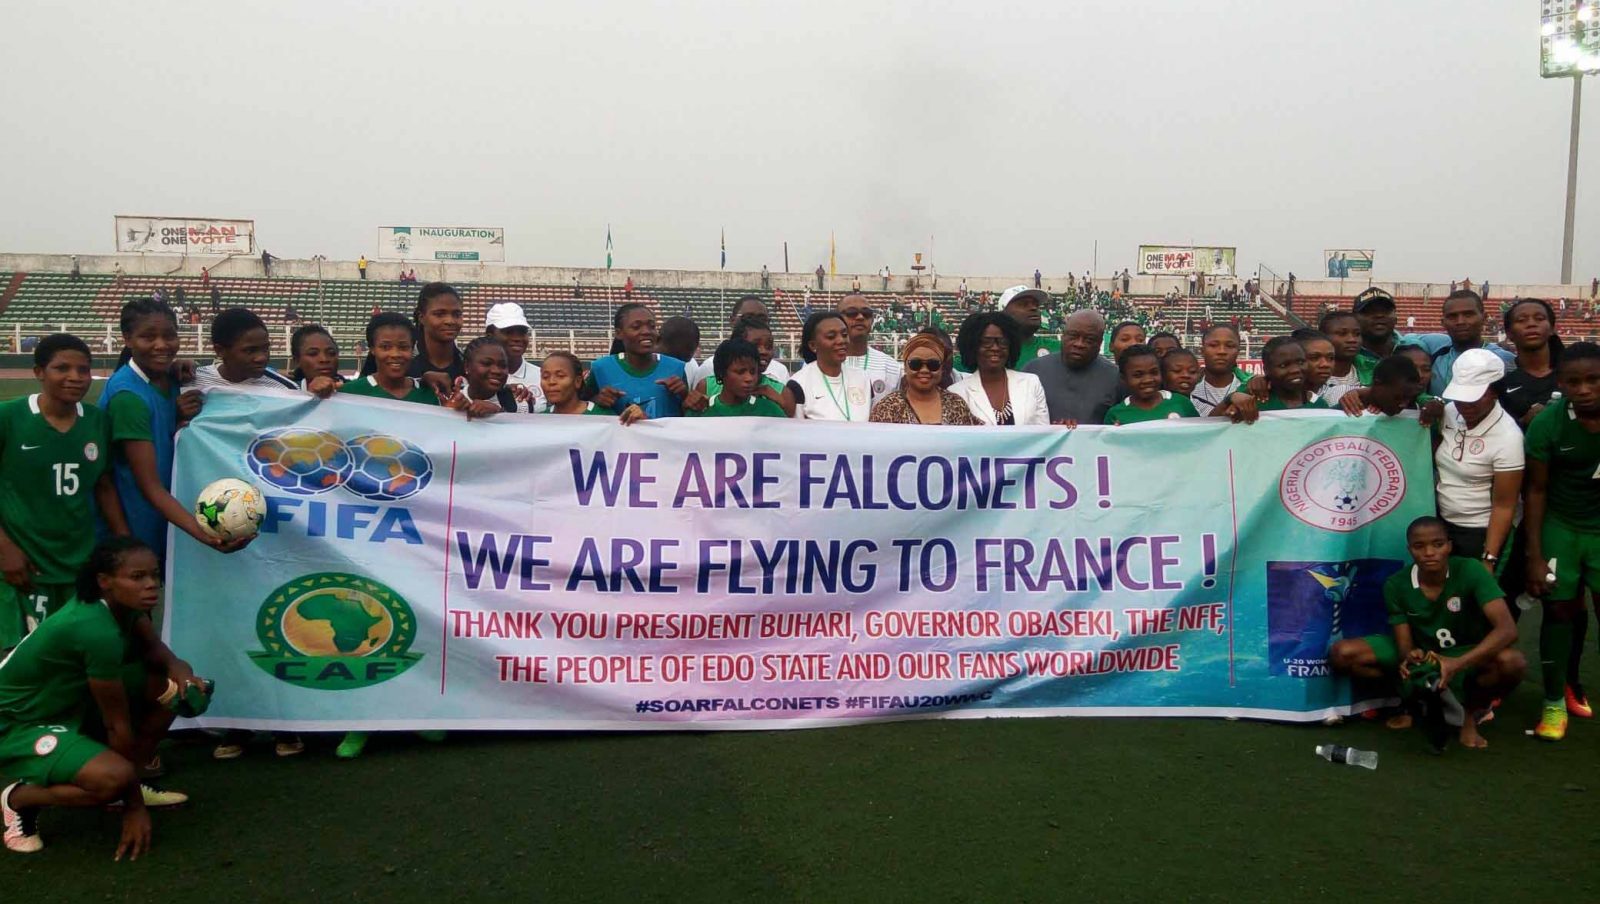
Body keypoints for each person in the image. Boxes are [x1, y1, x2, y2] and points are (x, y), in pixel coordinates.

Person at [0, 537, 204, 857]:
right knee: (113, 778)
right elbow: (116, 724)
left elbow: (157, 652)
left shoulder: (126, 607)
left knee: (171, 689)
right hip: (16, 723)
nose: (151, 584)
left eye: (154, 575)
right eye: (137, 577)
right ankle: (19, 799)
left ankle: (128, 781)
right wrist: (134, 808)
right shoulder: (94, 629)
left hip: (64, 705)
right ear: (104, 581)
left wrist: (183, 674)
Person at [1327, 516, 1524, 750]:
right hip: (1427, 656)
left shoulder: (1470, 570)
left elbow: (1507, 630)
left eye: (1437, 544)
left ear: (1449, 546)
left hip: (1465, 653)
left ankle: (1470, 716)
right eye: (1419, 546)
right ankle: (1414, 702)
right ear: (1410, 550)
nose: (1429, 552)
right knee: (1343, 654)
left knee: (1513, 662)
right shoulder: (1396, 584)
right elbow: (1404, 644)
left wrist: (1457, 663)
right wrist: (1409, 656)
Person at [0, 336, 128, 650]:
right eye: (62, 368)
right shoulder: (8, 417)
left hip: (78, 563)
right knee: (18, 658)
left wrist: (124, 542)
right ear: (38, 372)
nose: (75, 377)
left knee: (72, 657)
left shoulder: (97, 422)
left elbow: (104, 486)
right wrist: (4, 548)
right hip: (21, 564)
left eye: (83, 370)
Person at [103, 299, 247, 563]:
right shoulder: (128, 398)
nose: (161, 344)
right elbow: (150, 487)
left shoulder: (170, 378)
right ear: (127, 339)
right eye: (148, 337)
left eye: (169, 336)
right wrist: (206, 535)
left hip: (169, 518)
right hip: (139, 524)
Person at [1523, 342, 1600, 741]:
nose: (1584, 389)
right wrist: (1535, 555)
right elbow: (1536, 490)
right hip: (1563, 526)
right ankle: (1553, 702)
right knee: (1559, 611)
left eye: (1593, 380)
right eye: (1574, 381)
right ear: (1561, 383)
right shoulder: (1548, 424)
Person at [1430, 348, 1523, 574]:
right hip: (1444, 525)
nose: (1465, 405)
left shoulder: (1508, 437)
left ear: (1495, 392)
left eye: (1474, 398)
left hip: (1482, 532)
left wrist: (1489, 558)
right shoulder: (1450, 412)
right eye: (1460, 397)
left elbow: (1504, 505)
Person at [584, 303, 688, 418]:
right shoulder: (601, 368)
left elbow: (689, 413)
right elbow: (580, 406)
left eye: (652, 326)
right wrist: (597, 400)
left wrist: (684, 395)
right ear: (619, 333)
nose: (646, 331)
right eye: (636, 327)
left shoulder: (676, 367)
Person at [949, 312, 1049, 426]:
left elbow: (1043, 431)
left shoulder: (1031, 383)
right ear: (972, 346)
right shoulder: (956, 393)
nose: (995, 348)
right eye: (986, 342)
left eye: (1002, 342)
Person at [686, 315, 795, 417]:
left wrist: (782, 406)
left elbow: (787, 427)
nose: (764, 351)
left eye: (769, 346)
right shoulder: (706, 386)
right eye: (755, 345)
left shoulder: (781, 394)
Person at [1024, 310, 1120, 426]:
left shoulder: (1116, 377)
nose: (1079, 344)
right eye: (1073, 336)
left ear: (1100, 343)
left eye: (1089, 340)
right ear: (1063, 336)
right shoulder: (1033, 371)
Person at [869, 332, 977, 425]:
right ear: (905, 367)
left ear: (942, 368)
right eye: (915, 364)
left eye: (933, 364)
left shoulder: (956, 404)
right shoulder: (888, 407)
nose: (924, 370)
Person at [340, 313, 444, 406]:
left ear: (412, 348)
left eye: (403, 347)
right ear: (372, 349)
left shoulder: (429, 394)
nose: (395, 354)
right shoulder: (349, 392)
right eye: (385, 347)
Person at [189, 308, 300, 393]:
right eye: (250, 350)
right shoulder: (190, 381)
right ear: (220, 350)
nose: (261, 358)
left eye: (265, 349)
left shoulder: (286, 388)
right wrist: (180, 412)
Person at [1428, 289, 1517, 396]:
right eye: (1452, 316)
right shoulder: (1433, 354)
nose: (1460, 321)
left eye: (1468, 315)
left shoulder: (1505, 359)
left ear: (1484, 318)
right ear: (1443, 322)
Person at [790, 311, 870, 422]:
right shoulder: (798, 384)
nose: (841, 340)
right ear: (813, 345)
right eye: (831, 337)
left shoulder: (863, 378)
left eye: (844, 335)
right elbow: (795, 429)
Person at [1495, 299, 1561, 428]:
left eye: (1539, 318)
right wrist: (1524, 422)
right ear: (1509, 333)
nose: (1531, 324)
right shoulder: (1501, 383)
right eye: (1521, 320)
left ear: (1552, 329)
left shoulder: (1573, 375)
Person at [689, 340, 787, 418]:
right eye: (740, 372)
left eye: (753, 372)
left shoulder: (770, 411)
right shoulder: (701, 411)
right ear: (721, 373)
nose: (749, 378)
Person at [536, 352, 644, 423]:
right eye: (545, 377)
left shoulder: (605, 417)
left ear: (577, 381)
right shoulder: (538, 421)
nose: (551, 382)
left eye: (560, 376)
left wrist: (641, 421)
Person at [1105, 345, 1200, 425]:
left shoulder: (1182, 403)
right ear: (1123, 378)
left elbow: (1198, 435)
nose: (1148, 380)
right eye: (1138, 375)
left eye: (1154, 372)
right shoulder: (1116, 414)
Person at [835, 294, 902, 404]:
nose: (860, 317)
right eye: (852, 313)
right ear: (837, 319)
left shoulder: (891, 367)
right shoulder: (822, 364)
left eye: (866, 314)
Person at [398, 283, 465, 385]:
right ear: (421, 317)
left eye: (457, 314)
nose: (450, 321)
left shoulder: (470, 365)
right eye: (439, 314)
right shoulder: (403, 365)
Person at [1189, 324, 1254, 417]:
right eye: (1213, 345)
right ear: (1202, 350)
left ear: (1238, 351)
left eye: (1229, 346)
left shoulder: (1252, 387)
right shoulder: (1187, 388)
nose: (1221, 351)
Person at [451, 337, 528, 416]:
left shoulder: (519, 402)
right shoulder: (451, 400)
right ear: (467, 366)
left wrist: (499, 412)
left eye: (503, 365)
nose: (497, 371)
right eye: (487, 363)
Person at [484, 302, 542, 406]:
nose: (517, 338)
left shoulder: (542, 377)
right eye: (508, 332)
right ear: (490, 336)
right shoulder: (475, 377)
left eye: (522, 332)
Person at [1256, 337, 1329, 411]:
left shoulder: (1320, 405)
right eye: (1283, 365)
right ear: (1266, 370)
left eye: (1300, 362)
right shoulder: (1255, 404)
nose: (1295, 370)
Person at [1317, 311, 1364, 404]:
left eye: (1357, 334)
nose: (1352, 339)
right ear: (1323, 337)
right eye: (1342, 334)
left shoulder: (1373, 370)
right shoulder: (1308, 376)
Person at [288, 324, 344, 396]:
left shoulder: (354, 390)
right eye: (313, 353)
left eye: (331, 353)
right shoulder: (285, 394)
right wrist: (309, 395)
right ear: (297, 360)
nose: (324, 359)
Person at [1290, 328, 1336, 400]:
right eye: (1314, 358)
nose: (1325, 364)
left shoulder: (1343, 395)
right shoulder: (1274, 397)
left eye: (1330, 358)